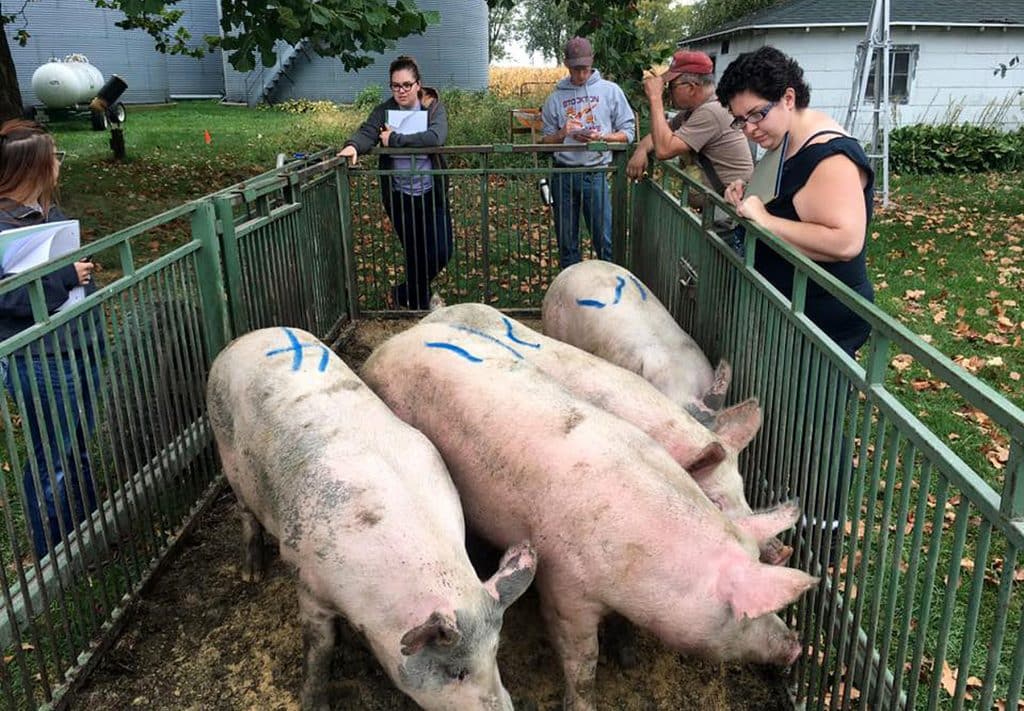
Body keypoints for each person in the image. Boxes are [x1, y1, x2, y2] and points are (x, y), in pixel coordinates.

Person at [716, 46, 875, 357]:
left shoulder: (831, 157)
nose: (749, 129)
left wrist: (765, 219)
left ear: (788, 99)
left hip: (820, 322)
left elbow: (846, 242)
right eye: (739, 120)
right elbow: (792, 196)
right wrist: (747, 191)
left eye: (756, 114)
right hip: (791, 311)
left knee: (809, 406)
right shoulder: (787, 137)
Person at [0, 119, 100, 558]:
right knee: (52, 454)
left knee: (77, 441)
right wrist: (67, 275)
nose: (59, 163)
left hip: (76, 343)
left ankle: (88, 528)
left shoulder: (47, 212)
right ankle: (53, 554)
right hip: (40, 357)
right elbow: (10, 296)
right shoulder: (4, 227)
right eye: (54, 156)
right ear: (33, 167)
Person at [338, 55, 453, 310]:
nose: (401, 91)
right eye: (395, 85)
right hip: (400, 195)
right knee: (415, 254)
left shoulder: (432, 108)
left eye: (406, 85)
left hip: (431, 192)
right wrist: (353, 145)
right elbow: (368, 130)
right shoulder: (384, 111)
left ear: (418, 84)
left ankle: (404, 292)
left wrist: (395, 140)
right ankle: (420, 308)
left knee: (443, 250)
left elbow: (436, 137)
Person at [540, 37, 636, 268]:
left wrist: (601, 137)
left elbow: (628, 132)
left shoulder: (610, 91)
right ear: (566, 64)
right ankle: (572, 292)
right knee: (566, 241)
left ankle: (610, 290)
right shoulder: (555, 99)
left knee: (604, 239)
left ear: (592, 61)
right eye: (575, 69)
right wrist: (563, 133)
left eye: (584, 68)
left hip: (595, 174)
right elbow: (545, 142)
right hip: (563, 175)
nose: (581, 74)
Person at [627, 50, 753, 212]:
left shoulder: (710, 112)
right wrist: (641, 150)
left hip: (726, 214)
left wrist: (655, 98)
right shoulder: (693, 112)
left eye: (671, 86)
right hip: (713, 210)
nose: (667, 91)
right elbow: (660, 134)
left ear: (692, 88)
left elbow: (664, 149)